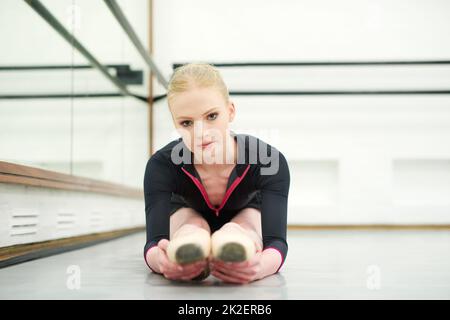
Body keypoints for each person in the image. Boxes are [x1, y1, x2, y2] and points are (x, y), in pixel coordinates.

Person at [143, 63, 290, 284]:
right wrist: (161, 261)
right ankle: (191, 245)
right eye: (187, 123)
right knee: (191, 229)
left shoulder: (268, 161)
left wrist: (259, 268)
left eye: (211, 116)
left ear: (230, 111)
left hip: (247, 212)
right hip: (185, 211)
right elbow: (154, 243)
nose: (201, 133)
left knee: (240, 229)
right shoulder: (161, 165)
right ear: (175, 123)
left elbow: (276, 243)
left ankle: (236, 243)